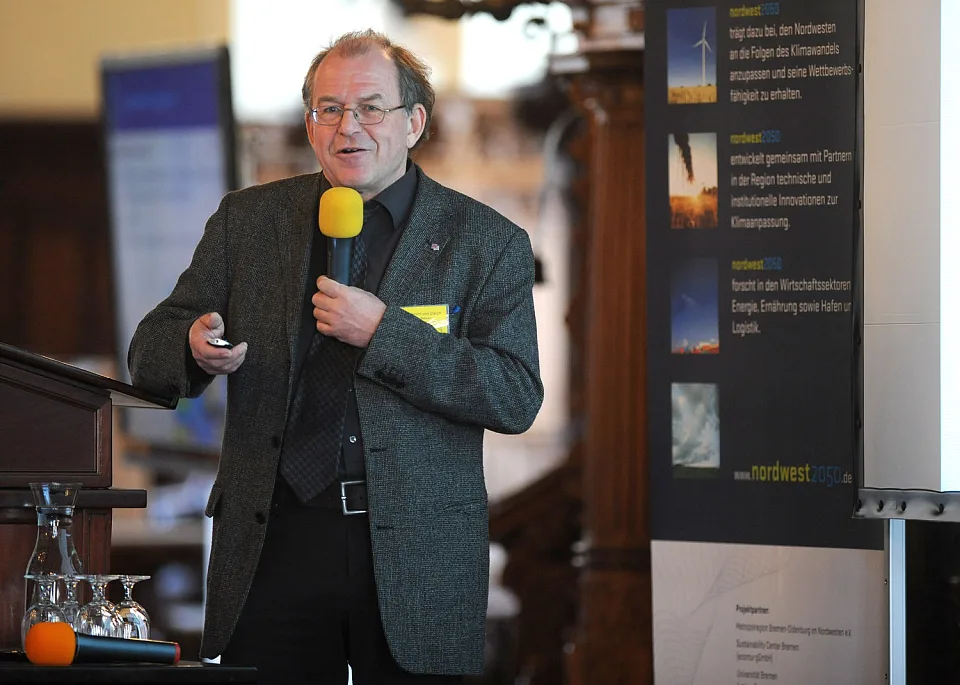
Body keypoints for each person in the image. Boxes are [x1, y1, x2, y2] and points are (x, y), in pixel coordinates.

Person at [127, 29, 543, 685]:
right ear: (310, 122)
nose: (348, 126)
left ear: (414, 123)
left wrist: (385, 332)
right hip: (275, 538)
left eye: (370, 107)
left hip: (414, 550)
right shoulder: (248, 222)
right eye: (329, 108)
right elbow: (149, 349)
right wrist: (192, 343)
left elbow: (515, 394)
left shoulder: (486, 243)